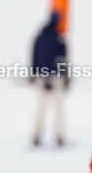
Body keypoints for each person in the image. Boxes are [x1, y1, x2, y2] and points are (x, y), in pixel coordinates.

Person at [29, 11, 69, 147]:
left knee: (42, 107)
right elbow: (62, 60)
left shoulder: (39, 37)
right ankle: (59, 135)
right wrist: (64, 76)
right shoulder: (58, 38)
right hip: (54, 78)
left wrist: (34, 74)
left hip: (42, 78)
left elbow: (34, 58)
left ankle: (37, 134)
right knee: (57, 107)